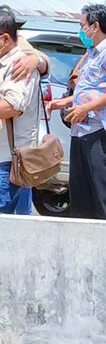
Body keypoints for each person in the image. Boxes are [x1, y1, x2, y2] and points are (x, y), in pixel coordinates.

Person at [47, 4, 106, 220]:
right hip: (81, 130)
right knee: (81, 195)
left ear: (95, 26)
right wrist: (62, 102)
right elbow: (89, 90)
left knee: (104, 194)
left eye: (82, 25)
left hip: (101, 131)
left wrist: (86, 108)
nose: (81, 30)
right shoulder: (92, 53)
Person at [0, 12, 40, 213]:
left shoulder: (20, 65)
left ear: (4, 38)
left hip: (9, 164)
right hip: (7, 162)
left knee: (8, 231)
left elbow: (12, 107)